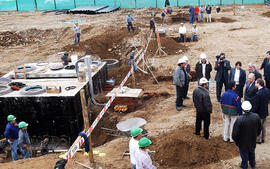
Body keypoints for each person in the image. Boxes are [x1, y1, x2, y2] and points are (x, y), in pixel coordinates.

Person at [232, 101, 261, 169]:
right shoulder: (256, 116)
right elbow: (259, 128)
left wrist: (237, 141)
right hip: (252, 139)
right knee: (252, 152)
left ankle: (244, 165)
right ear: (250, 108)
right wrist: (256, 135)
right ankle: (253, 164)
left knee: (244, 154)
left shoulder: (239, 119)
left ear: (242, 109)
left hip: (242, 142)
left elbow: (235, 134)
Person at [250, 79, 270, 144]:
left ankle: (258, 140)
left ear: (258, 84)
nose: (255, 84)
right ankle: (263, 138)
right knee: (264, 126)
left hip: (259, 113)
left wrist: (252, 112)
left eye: (256, 83)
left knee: (258, 127)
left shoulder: (258, 94)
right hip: (265, 111)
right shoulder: (267, 90)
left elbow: (256, 106)